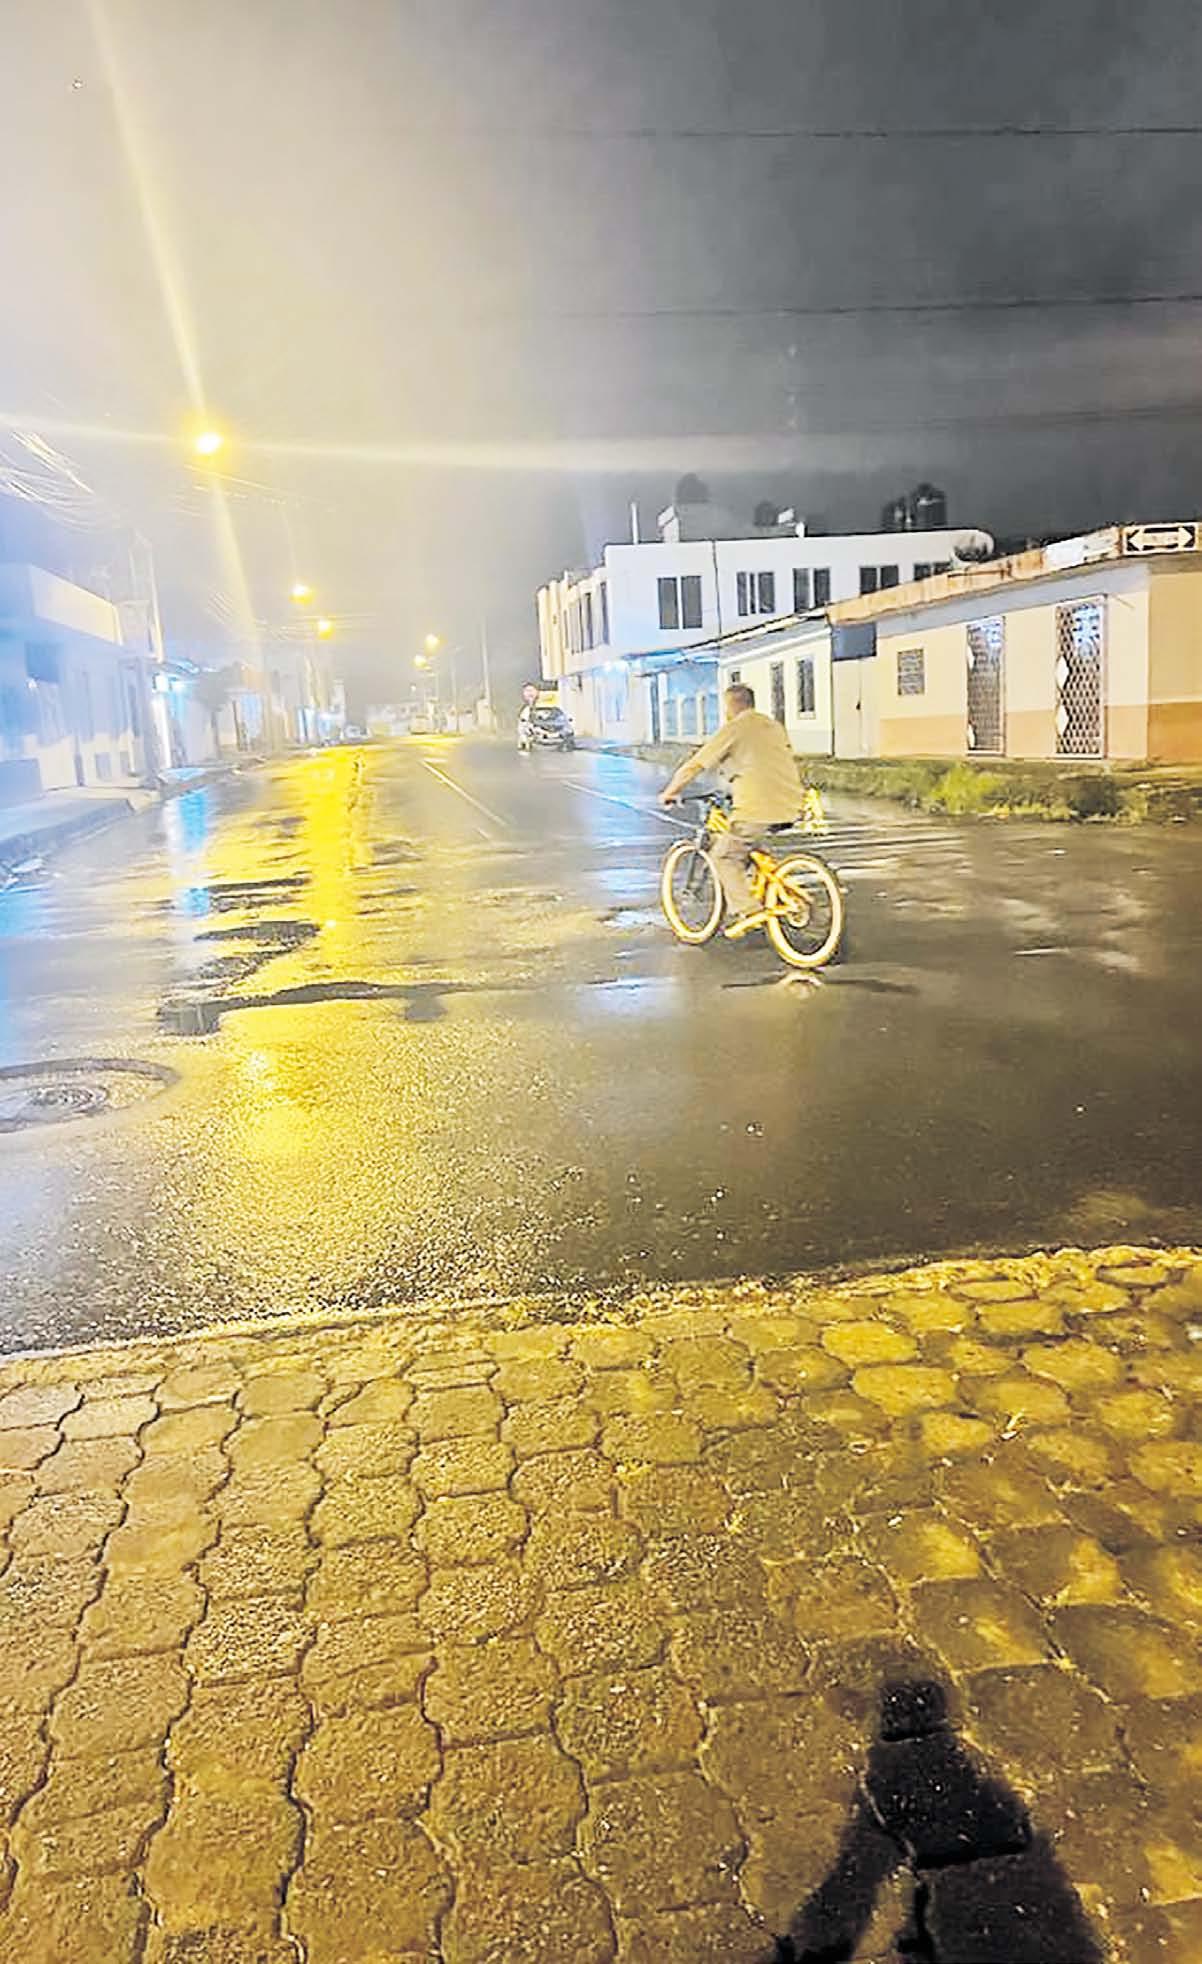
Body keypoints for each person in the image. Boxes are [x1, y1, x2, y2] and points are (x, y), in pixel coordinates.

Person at [659, 683, 805, 931]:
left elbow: (696, 764)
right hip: (792, 801)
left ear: (730, 706)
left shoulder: (735, 728)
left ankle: (749, 911)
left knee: (724, 856)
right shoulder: (772, 725)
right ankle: (776, 895)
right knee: (747, 848)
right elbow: (758, 761)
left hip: (758, 806)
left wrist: (671, 791)